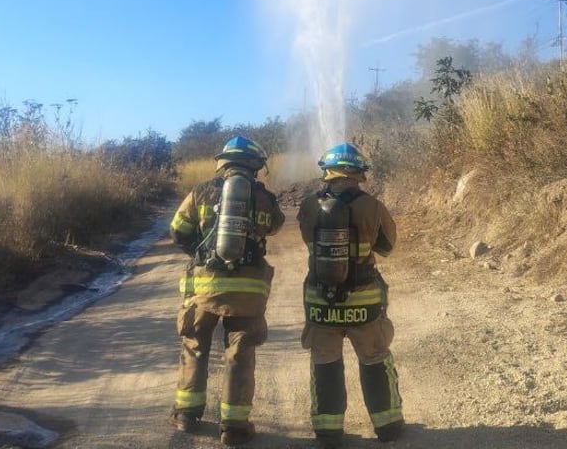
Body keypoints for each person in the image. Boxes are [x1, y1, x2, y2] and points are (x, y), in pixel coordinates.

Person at [168, 136, 284, 446]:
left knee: (194, 346)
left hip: (204, 290)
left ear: (223, 163)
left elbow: (178, 230)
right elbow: (275, 226)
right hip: (247, 293)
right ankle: (233, 426)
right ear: (256, 166)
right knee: (240, 354)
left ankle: (186, 416)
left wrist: (202, 254)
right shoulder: (264, 198)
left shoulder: (202, 191)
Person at [298, 142, 404, 448]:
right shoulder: (373, 206)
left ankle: (328, 431)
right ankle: (388, 426)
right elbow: (386, 248)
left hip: (321, 302)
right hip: (364, 302)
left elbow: (308, 242)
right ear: (358, 172)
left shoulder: (307, 205)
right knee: (374, 358)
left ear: (327, 172)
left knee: (325, 360)